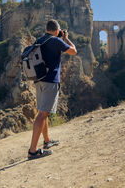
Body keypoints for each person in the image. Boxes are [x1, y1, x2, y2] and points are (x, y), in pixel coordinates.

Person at [28, 19, 77, 160]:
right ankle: (32, 151)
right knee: (42, 114)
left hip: (39, 80)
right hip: (50, 81)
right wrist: (66, 39)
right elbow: (74, 51)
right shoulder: (56, 41)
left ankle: (47, 141)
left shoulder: (40, 40)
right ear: (57, 30)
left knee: (43, 112)